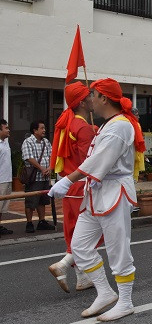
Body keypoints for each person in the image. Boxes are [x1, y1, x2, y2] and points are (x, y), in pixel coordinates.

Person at [48, 77, 144, 321]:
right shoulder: (107, 124)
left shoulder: (121, 125)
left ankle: (125, 301)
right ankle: (104, 292)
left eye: (92, 94)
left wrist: (68, 180)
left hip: (114, 192)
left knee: (117, 250)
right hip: (96, 192)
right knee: (79, 246)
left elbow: (99, 159)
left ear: (103, 98)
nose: (89, 99)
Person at [47, 82, 96, 293]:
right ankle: (63, 264)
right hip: (81, 185)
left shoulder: (68, 124)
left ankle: (82, 278)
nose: (94, 99)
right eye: (90, 96)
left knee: (75, 233)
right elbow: (90, 162)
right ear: (83, 102)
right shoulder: (83, 128)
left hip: (68, 185)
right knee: (91, 233)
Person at [22, 120, 54, 232]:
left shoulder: (46, 142)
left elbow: (51, 155)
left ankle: (42, 221)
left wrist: (49, 168)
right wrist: (42, 168)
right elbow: (28, 158)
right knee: (31, 200)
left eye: (44, 128)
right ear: (35, 130)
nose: (44, 130)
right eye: (42, 128)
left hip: (44, 177)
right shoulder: (28, 142)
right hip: (34, 177)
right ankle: (29, 223)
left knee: (42, 200)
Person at [0, 119, 12, 235]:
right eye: (6, 128)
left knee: (3, 206)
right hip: (0, 180)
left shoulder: (5, 142)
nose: (8, 130)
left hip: (7, 178)